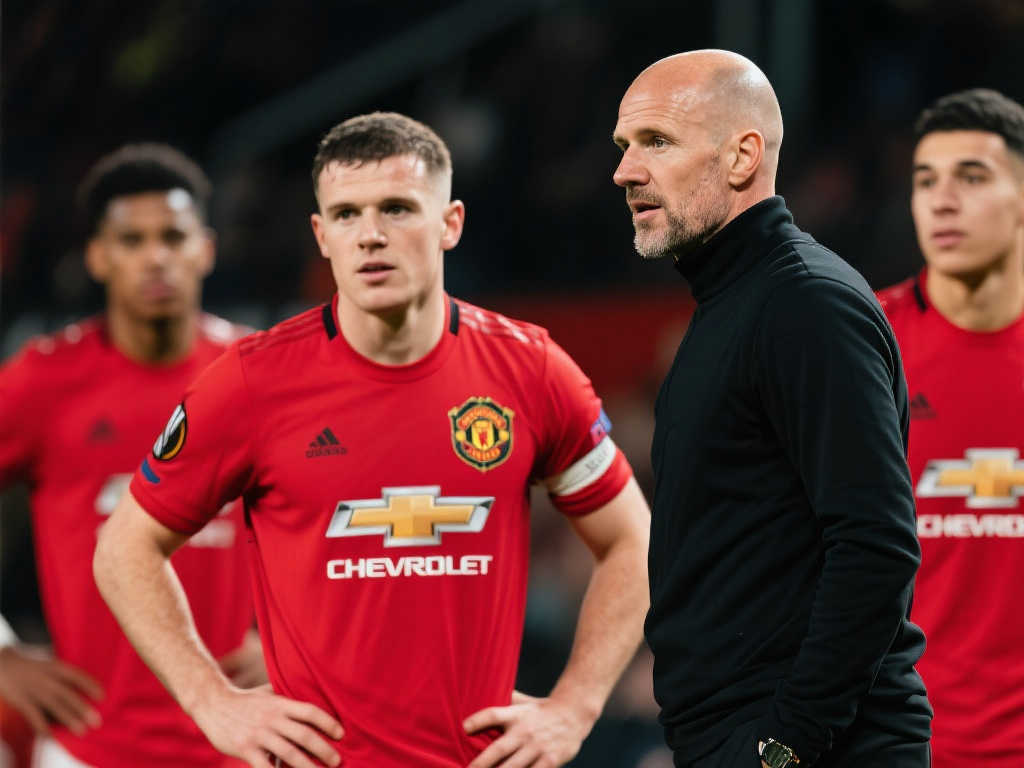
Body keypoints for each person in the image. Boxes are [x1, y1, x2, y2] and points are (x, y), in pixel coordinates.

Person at [93, 112, 652, 768]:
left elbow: (631, 541)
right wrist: (210, 700)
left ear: (450, 223)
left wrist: (575, 707)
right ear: (321, 235)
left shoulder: (530, 371)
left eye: (396, 208)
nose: (370, 235)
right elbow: (125, 549)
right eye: (347, 215)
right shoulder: (252, 382)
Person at [612, 50, 932, 768]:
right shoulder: (734, 305)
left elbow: (876, 546)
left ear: (742, 156)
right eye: (624, 146)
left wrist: (786, 741)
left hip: (812, 747)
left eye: (656, 141)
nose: (625, 170)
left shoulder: (804, 303)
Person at [0, 144, 264, 768]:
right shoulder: (44, 381)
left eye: (173, 236)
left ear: (205, 248)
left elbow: (343, 520)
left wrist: (298, 646)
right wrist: (2, 654)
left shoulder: (261, 377)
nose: (155, 257)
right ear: (98, 256)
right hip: (87, 747)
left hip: (243, 744)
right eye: (132, 240)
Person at [877, 88, 1024, 767]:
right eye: (925, 181)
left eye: (971, 178)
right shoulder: (858, 346)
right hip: (895, 746)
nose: (942, 201)